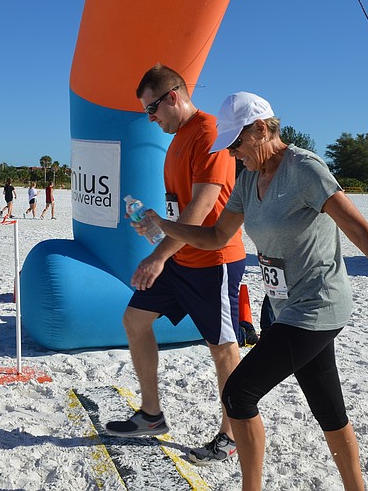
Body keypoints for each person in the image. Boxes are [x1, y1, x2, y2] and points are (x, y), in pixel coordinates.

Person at [132, 91, 368, 490]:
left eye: (237, 143)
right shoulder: (249, 177)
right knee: (329, 410)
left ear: (261, 129)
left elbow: (358, 227)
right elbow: (218, 235)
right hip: (283, 307)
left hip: (318, 305)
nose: (233, 153)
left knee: (238, 394)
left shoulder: (304, 169)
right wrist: (164, 226)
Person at [105, 64, 247, 466]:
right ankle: (151, 415)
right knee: (135, 320)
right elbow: (181, 209)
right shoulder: (177, 138)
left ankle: (231, 435)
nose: (151, 119)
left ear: (173, 96)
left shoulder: (209, 133)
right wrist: (155, 228)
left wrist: (156, 255)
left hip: (213, 260)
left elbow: (203, 210)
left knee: (222, 349)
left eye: (152, 109)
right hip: (180, 257)